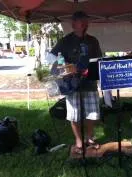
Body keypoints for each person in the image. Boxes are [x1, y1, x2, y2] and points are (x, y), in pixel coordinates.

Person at [50, 11, 102, 154]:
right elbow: (50, 58)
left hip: (89, 82)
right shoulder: (65, 41)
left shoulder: (93, 41)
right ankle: (79, 141)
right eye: (82, 22)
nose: (85, 24)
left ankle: (90, 138)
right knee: (74, 115)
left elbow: (98, 60)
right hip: (72, 85)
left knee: (92, 113)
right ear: (74, 24)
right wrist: (67, 65)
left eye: (86, 22)